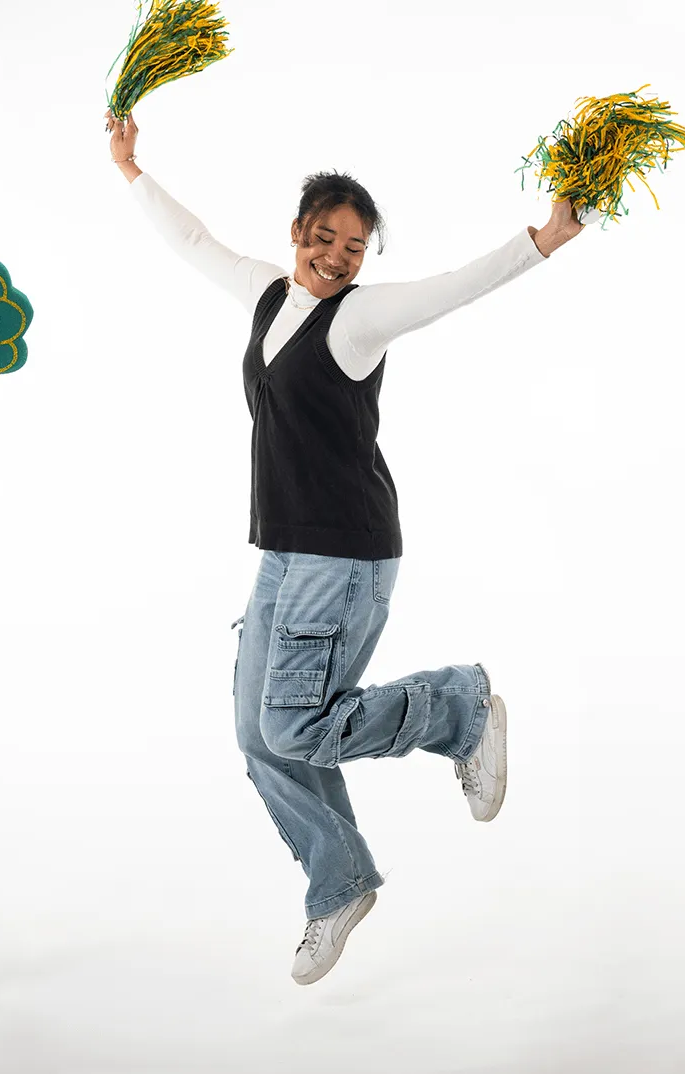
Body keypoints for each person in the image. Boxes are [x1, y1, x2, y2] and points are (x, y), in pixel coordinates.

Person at [106, 109, 587, 984]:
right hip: (283, 551)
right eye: (324, 238)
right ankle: (339, 883)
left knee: (293, 724)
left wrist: (543, 239)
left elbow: (454, 286)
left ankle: (459, 710)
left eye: (354, 247)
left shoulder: (360, 319)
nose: (335, 256)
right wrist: (131, 169)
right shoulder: (267, 294)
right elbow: (194, 240)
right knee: (260, 736)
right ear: (297, 232)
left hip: (346, 552)